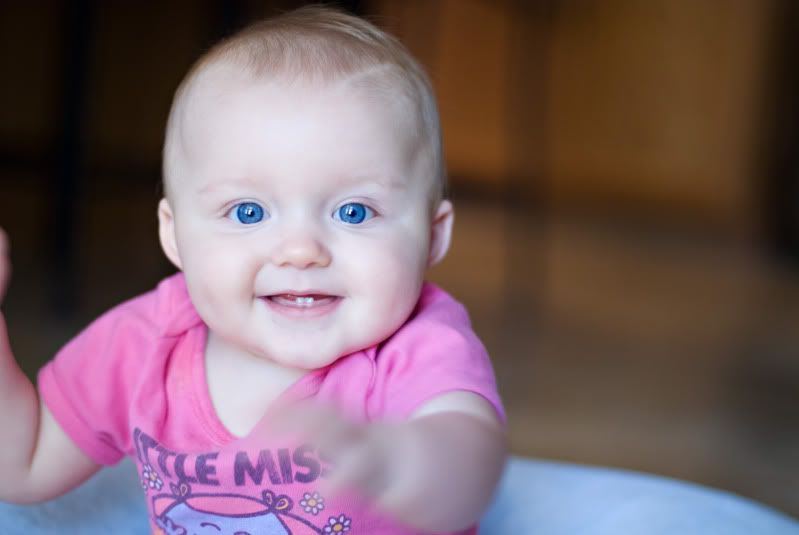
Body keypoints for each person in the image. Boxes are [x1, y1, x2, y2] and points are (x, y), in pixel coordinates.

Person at [0, 6, 506, 534]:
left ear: (433, 235)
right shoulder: (144, 345)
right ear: (174, 234)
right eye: (248, 212)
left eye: (354, 212)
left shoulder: (417, 346)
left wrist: (393, 460)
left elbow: (467, 469)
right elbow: (24, 465)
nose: (300, 251)